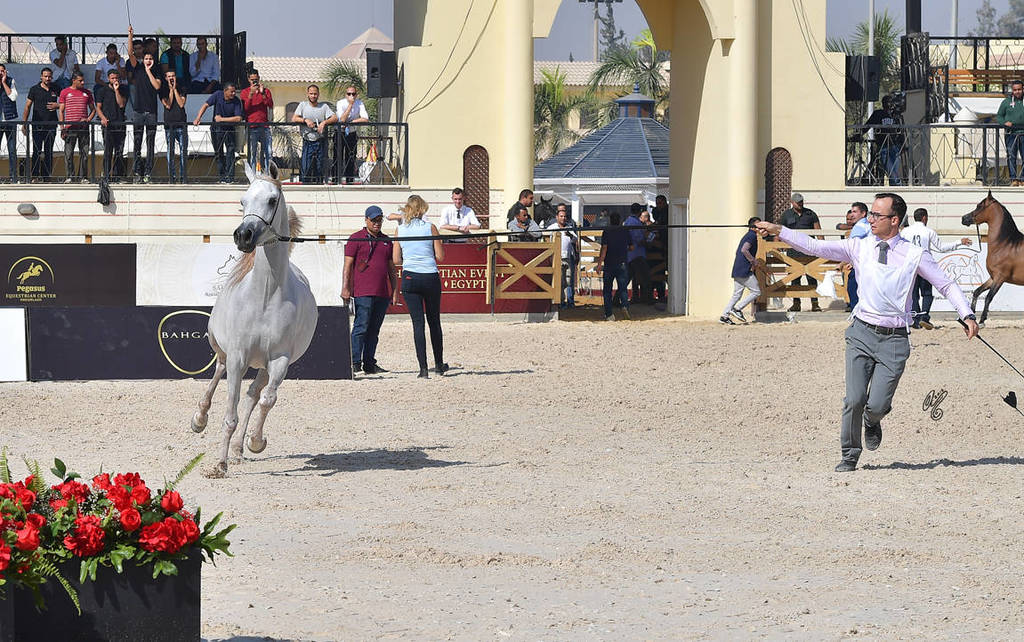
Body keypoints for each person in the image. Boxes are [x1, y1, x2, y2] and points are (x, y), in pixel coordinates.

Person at [755, 193, 979, 473]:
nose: (870, 219)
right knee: (854, 399)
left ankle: (872, 420)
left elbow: (946, 284)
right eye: (870, 213)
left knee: (877, 405)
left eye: (876, 215)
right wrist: (779, 230)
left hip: (895, 338)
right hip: (861, 332)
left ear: (894, 220)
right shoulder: (858, 246)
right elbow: (814, 246)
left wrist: (966, 313)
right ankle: (849, 454)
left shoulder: (915, 255)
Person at [393, 195, 448, 379]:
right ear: (422, 209)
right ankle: (439, 365)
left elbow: (396, 260)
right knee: (434, 322)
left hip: (410, 276)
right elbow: (440, 256)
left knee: (418, 324)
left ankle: (423, 369)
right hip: (430, 275)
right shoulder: (430, 227)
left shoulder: (400, 230)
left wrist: (410, 255)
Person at [342, 206, 398, 375]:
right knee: (361, 327)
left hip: (382, 293)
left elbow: (391, 268)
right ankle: (354, 362)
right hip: (363, 292)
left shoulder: (386, 240)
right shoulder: (355, 238)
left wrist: (395, 290)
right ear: (366, 220)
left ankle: (369, 363)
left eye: (379, 220)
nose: (377, 223)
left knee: (374, 330)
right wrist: (345, 288)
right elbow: (347, 265)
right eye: (373, 220)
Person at [900, 207, 973, 329]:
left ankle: (916, 320)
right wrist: (959, 242)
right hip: (925, 265)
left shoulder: (905, 231)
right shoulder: (929, 231)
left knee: (913, 293)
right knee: (927, 293)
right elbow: (941, 248)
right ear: (924, 218)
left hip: (910, 265)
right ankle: (924, 317)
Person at [779, 192, 822, 312]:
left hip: (809, 250)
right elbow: (780, 231)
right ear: (792, 203)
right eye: (798, 202)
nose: (800, 204)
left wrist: (821, 247)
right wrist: (777, 246)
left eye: (801, 202)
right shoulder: (786, 215)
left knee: (812, 277)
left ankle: (815, 303)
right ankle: (796, 303)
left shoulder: (810, 213)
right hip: (793, 251)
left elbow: (818, 231)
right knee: (794, 278)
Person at [194, 83, 243, 183]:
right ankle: (222, 177)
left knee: (230, 152)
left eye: (234, 91)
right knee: (218, 153)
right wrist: (198, 118)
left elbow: (238, 118)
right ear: (225, 91)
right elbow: (205, 105)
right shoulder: (217, 95)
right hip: (216, 129)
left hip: (229, 129)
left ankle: (230, 177)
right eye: (231, 92)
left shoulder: (236, 101)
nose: (234, 93)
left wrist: (222, 119)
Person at [128, 36, 161, 183]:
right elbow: (130, 53)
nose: (147, 60)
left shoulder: (156, 70)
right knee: (137, 142)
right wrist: (130, 36)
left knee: (150, 143)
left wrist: (148, 71)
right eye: (146, 58)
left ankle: (148, 172)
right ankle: (137, 172)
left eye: (150, 58)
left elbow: (157, 86)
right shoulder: (138, 67)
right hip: (138, 111)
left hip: (151, 111)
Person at [721, 217, 764, 324]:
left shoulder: (748, 235)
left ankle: (724, 316)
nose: (760, 226)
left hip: (738, 268)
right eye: (758, 224)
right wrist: (754, 261)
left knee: (736, 294)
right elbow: (744, 250)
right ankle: (737, 308)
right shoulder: (752, 236)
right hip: (744, 270)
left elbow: (740, 250)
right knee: (756, 291)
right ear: (752, 227)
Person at [291, 84, 335, 184]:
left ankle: (320, 185)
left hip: (320, 141)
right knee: (306, 167)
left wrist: (324, 123)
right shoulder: (302, 105)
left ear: (318, 94)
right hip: (307, 141)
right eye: (311, 94)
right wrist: (305, 120)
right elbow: (294, 118)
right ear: (307, 94)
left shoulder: (324, 106)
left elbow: (334, 118)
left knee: (320, 168)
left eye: (315, 94)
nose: (313, 96)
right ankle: (305, 186)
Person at [22, 68, 59, 182]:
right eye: (45, 76)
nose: (48, 78)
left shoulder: (56, 88)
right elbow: (28, 106)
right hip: (37, 125)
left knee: (49, 151)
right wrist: (24, 123)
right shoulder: (34, 89)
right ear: (41, 77)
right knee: (36, 150)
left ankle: (47, 176)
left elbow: (66, 101)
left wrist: (57, 105)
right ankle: (34, 176)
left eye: (49, 76)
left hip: (52, 125)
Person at [57, 71, 95, 183]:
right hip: (70, 127)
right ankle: (70, 176)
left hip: (83, 127)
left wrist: (88, 119)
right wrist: (62, 127)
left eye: (83, 80)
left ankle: (83, 177)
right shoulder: (65, 92)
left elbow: (93, 109)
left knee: (84, 153)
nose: (83, 82)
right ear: (73, 80)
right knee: (68, 153)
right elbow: (61, 111)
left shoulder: (87, 93)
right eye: (80, 81)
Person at [95, 68, 129, 181]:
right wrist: (103, 118)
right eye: (112, 78)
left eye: (116, 78)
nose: (115, 80)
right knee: (108, 151)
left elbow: (121, 104)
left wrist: (116, 91)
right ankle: (106, 174)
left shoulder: (123, 89)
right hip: (108, 125)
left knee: (119, 151)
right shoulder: (102, 90)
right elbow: (98, 107)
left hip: (119, 123)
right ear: (108, 78)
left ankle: (117, 175)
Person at [595, 212, 631, 321]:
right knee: (623, 288)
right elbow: (632, 247)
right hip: (622, 263)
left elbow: (604, 248)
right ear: (619, 220)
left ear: (610, 220)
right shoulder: (625, 231)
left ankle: (609, 314)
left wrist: (599, 264)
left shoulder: (607, 231)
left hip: (609, 264)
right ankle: (624, 306)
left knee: (607, 291)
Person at [865, 95, 905, 186]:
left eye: (890, 102)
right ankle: (898, 184)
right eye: (887, 102)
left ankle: (894, 188)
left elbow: (901, 130)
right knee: (890, 169)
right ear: (883, 104)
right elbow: (867, 125)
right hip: (883, 146)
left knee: (894, 170)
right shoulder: (878, 114)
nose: (889, 104)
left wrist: (903, 144)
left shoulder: (895, 115)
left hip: (894, 146)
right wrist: (859, 134)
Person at [240, 69, 273, 172]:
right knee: (252, 153)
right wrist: (251, 94)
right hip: (252, 127)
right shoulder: (245, 92)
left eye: (256, 79)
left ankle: (268, 174)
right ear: (248, 80)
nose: (254, 82)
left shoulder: (266, 91)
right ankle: (253, 175)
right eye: (252, 80)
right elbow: (245, 108)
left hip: (264, 126)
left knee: (268, 152)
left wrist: (262, 94)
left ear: (259, 78)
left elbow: (270, 105)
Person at [335, 85, 369, 184]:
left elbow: (365, 118)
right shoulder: (340, 103)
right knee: (337, 156)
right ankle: (336, 179)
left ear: (356, 95)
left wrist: (353, 122)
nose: (351, 96)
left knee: (350, 157)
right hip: (340, 132)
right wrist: (350, 105)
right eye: (349, 94)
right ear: (345, 95)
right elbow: (342, 119)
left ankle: (349, 179)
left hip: (351, 133)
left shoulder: (359, 103)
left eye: (353, 94)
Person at [547, 205, 579, 308]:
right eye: (561, 216)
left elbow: (575, 240)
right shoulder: (551, 228)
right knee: (559, 280)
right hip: (557, 257)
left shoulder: (569, 227)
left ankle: (569, 301)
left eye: (564, 216)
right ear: (557, 217)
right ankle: (560, 301)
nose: (563, 218)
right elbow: (546, 239)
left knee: (568, 281)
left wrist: (570, 235)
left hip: (568, 257)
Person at [161, 70, 189, 183]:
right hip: (169, 125)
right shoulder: (162, 89)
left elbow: (181, 104)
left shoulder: (182, 88)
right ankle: (171, 177)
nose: (171, 78)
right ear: (165, 78)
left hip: (181, 124)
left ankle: (183, 176)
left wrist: (175, 89)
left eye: (173, 76)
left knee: (183, 150)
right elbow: (168, 104)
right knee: (170, 151)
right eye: (169, 76)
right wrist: (170, 90)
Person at [624, 202, 652, 304]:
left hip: (630, 255)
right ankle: (648, 299)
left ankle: (618, 299)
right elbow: (639, 240)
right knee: (646, 277)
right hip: (637, 254)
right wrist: (648, 240)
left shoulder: (628, 221)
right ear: (639, 211)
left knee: (630, 278)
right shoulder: (635, 223)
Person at [998, 80, 1024, 186]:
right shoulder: (1006, 102)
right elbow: (999, 116)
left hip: (1023, 133)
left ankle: (1022, 179)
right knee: (1011, 156)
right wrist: (1004, 122)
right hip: (1011, 134)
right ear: (1012, 90)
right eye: (1015, 90)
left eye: (1019, 89)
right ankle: (1013, 179)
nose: (1017, 92)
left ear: (1023, 89)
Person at [0, 64, 18, 183]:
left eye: (2, 71)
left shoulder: (11, 81)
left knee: (12, 150)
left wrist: (4, 82)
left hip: (10, 120)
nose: (0, 73)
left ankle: (13, 176)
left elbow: (13, 97)